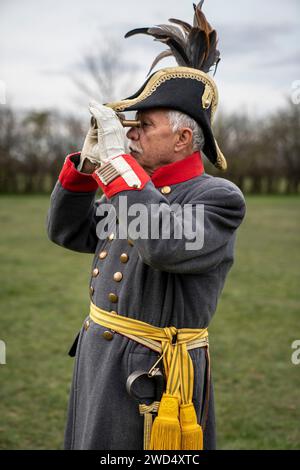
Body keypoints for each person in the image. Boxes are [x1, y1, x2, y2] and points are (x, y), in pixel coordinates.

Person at [47, 2, 246, 450]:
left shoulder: (218, 198)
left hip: (151, 370)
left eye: (144, 125)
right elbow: (68, 232)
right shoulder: (136, 189)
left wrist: (120, 170)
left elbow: (162, 245)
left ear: (182, 137)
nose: (131, 134)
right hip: (100, 355)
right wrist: (85, 166)